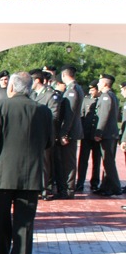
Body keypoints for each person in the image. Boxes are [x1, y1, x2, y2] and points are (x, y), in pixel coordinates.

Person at [0, 72, 53, 254]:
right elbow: (49, 142)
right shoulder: (43, 110)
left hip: (2, 174)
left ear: (11, 87)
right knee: (25, 222)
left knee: (0, 219)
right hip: (31, 175)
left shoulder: (0, 106)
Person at [29, 69, 61, 200]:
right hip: (32, 134)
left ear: (37, 80)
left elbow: (54, 115)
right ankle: (35, 187)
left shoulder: (50, 95)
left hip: (44, 134)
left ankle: (45, 188)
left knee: (45, 162)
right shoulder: (32, 95)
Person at [55, 65, 84, 199]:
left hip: (70, 132)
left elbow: (70, 114)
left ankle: (68, 190)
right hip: (71, 131)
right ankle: (66, 188)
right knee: (67, 161)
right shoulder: (75, 88)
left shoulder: (72, 90)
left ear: (64, 75)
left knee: (68, 162)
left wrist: (64, 133)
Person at [93, 74, 122, 196]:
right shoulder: (113, 96)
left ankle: (116, 187)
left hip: (107, 135)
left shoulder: (105, 96)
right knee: (108, 161)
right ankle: (105, 187)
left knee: (108, 162)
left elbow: (103, 116)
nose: (98, 85)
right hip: (112, 134)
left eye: (99, 83)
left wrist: (99, 132)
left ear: (105, 84)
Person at [77, 79, 101, 193]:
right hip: (86, 134)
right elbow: (81, 116)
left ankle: (95, 183)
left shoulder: (102, 100)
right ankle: (80, 182)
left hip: (97, 135)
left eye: (93, 90)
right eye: (90, 90)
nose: (91, 92)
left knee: (96, 160)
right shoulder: (86, 99)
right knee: (83, 160)